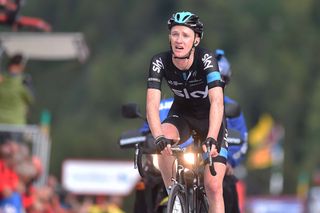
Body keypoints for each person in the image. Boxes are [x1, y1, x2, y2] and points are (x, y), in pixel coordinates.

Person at [146, 11, 227, 212]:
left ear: (196, 40)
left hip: (210, 119)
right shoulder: (159, 61)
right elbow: (151, 105)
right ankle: (175, 197)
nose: (179, 40)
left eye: (185, 35)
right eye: (175, 34)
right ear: (169, 37)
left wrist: (211, 138)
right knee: (163, 139)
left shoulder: (206, 59)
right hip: (181, 115)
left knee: (214, 187)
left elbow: (217, 101)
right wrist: (158, 138)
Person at [0, 54, 34, 142]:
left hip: (1, 123)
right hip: (16, 124)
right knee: (13, 152)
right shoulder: (23, 81)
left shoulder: (2, 79)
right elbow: (30, 99)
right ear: (20, 66)